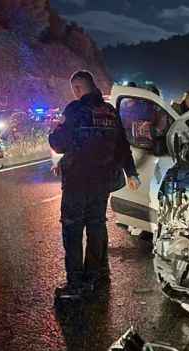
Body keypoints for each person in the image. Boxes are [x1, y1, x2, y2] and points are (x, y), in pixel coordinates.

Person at [49, 70, 140, 300]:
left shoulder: (75, 109)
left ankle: (76, 283)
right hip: (102, 182)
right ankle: (96, 273)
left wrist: (54, 132)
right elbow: (122, 145)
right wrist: (131, 173)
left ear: (78, 88)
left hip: (78, 181)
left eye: (74, 89)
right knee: (97, 224)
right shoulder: (109, 111)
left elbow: (59, 143)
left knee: (72, 228)